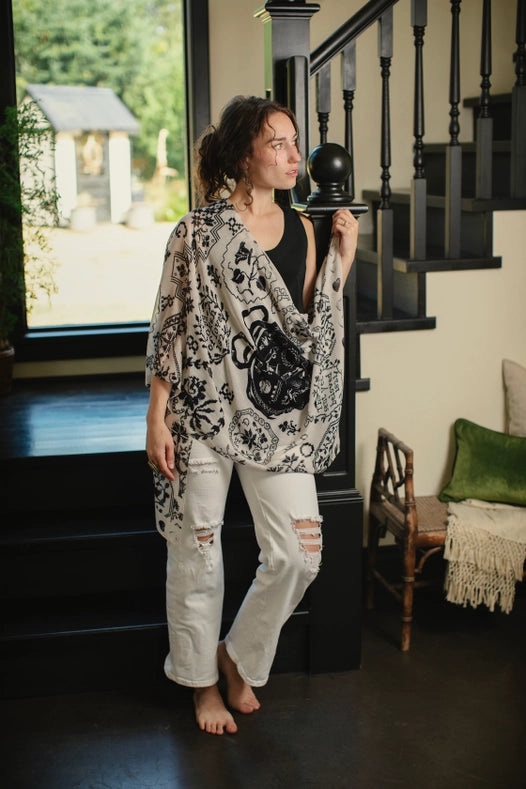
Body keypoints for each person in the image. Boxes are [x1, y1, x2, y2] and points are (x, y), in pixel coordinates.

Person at [145, 95, 359, 735]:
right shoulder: (196, 233)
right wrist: (156, 415)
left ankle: (236, 657)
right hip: (202, 408)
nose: (295, 157)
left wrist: (345, 256)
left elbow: (308, 321)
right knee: (198, 551)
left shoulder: (303, 229)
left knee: (300, 554)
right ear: (245, 155)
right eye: (278, 144)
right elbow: (171, 322)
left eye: (295, 142)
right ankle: (200, 685)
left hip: (276, 415)